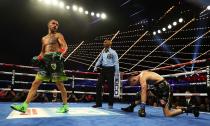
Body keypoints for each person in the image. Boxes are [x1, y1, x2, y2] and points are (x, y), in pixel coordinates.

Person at [11, 19, 69, 113]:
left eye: (57, 24)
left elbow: (65, 47)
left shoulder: (58, 35)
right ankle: (24, 106)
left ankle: (65, 106)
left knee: (60, 84)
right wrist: (38, 58)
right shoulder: (44, 38)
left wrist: (59, 54)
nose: (55, 25)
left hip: (55, 61)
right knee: (35, 82)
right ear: (48, 25)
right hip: (45, 62)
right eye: (53, 23)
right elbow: (43, 52)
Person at [121, 70, 199, 117]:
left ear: (134, 80)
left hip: (164, 89)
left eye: (133, 84)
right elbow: (144, 91)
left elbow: (144, 90)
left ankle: (188, 109)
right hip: (157, 88)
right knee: (140, 93)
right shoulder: (142, 74)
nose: (135, 85)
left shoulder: (142, 77)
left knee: (167, 114)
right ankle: (131, 107)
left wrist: (142, 108)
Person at [92, 39, 119, 109]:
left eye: (105, 42)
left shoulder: (113, 52)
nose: (103, 43)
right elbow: (99, 60)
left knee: (111, 87)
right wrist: (95, 66)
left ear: (109, 44)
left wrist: (116, 73)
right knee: (98, 85)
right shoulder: (103, 51)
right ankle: (98, 104)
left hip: (110, 70)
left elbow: (116, 63)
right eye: (104, 42)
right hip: (103, 70)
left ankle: (110, 104)